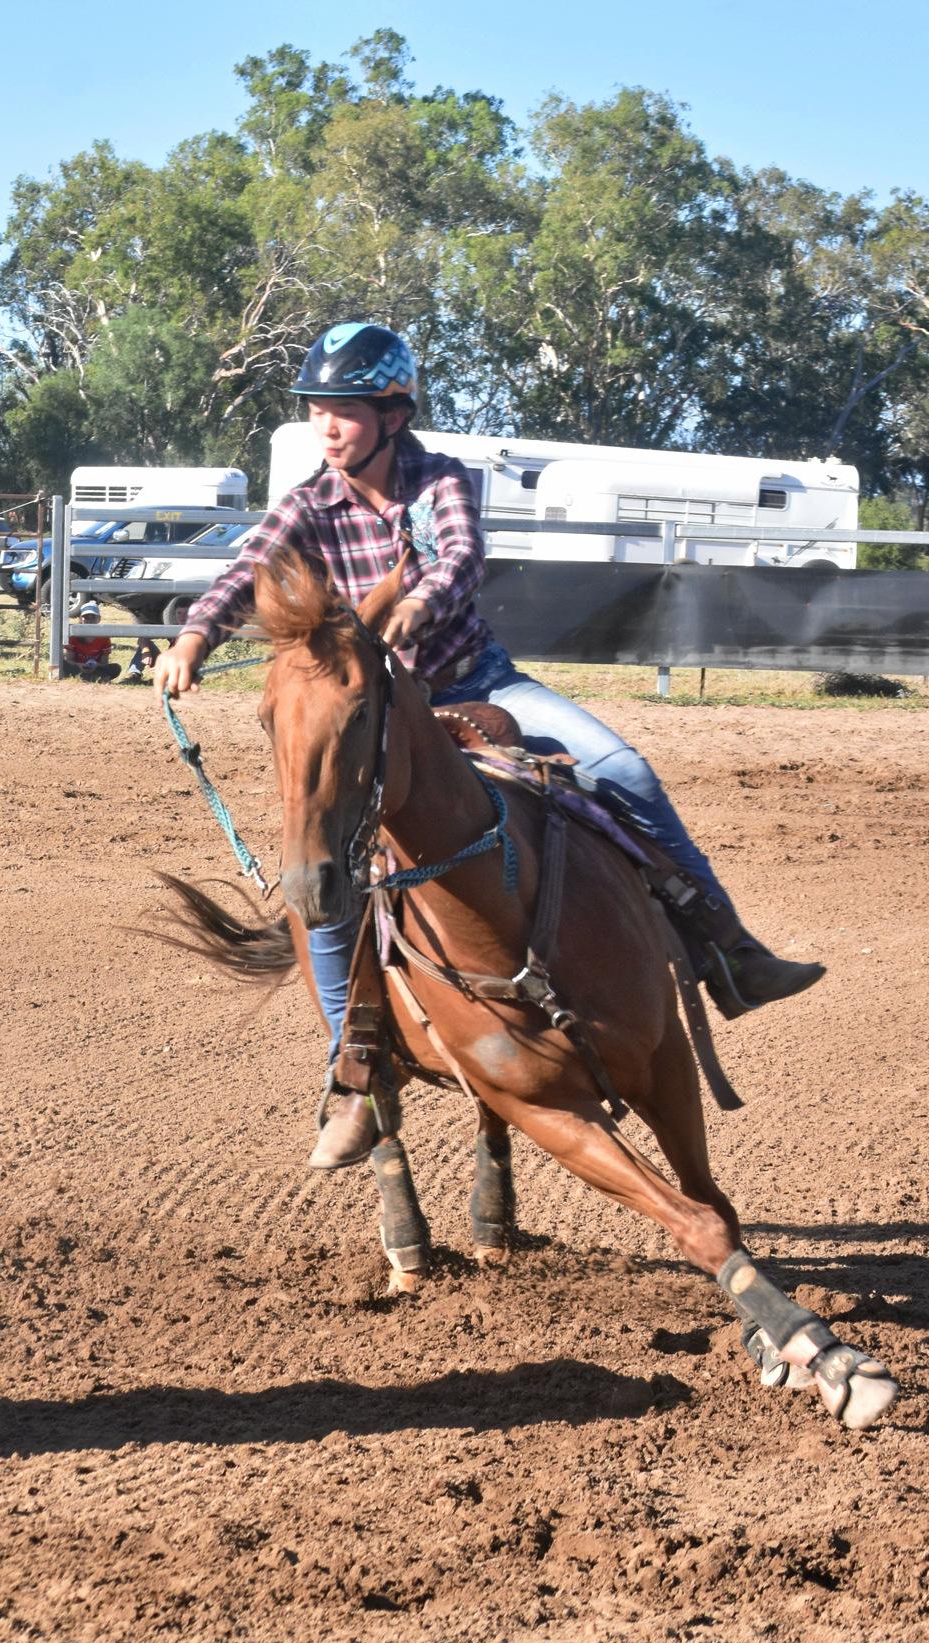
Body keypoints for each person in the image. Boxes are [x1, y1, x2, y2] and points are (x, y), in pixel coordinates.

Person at [156, 321, 825, 1170]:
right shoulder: (306, 506)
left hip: (478, 683)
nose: (328, 427)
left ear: (393, 414)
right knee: (323, 873)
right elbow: (240, 574)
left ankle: (727, 949)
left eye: (345, 411)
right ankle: (355, 1073)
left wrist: (418, 606)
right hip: (370, 714)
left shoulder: (440, 481)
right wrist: (193, 642)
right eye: (319, 410)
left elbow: (462, 556)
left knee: (623, 769)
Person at [63, 601, 120, 682]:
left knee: (116, 668)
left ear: (99, 619)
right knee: (63, 664)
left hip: (95, 668)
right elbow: (69, 659)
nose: (89, 620)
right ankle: (94, 678)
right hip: (77, 667)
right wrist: (79, 665)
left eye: (93, 617)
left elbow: (104, 663)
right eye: (86, 617)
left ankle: (88, 677)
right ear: (80, 619)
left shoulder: (104, 637)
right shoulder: (73, 635)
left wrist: (95, 666)